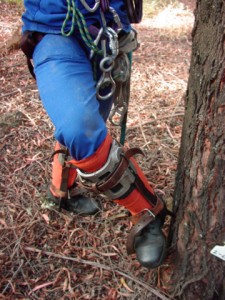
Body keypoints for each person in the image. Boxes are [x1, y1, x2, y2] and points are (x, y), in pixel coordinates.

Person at [21, 0, 170, 269]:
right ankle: (148, 210)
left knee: (87, 125)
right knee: (80, 126)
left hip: (108, 36)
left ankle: (60, 189)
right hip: (56, 34)